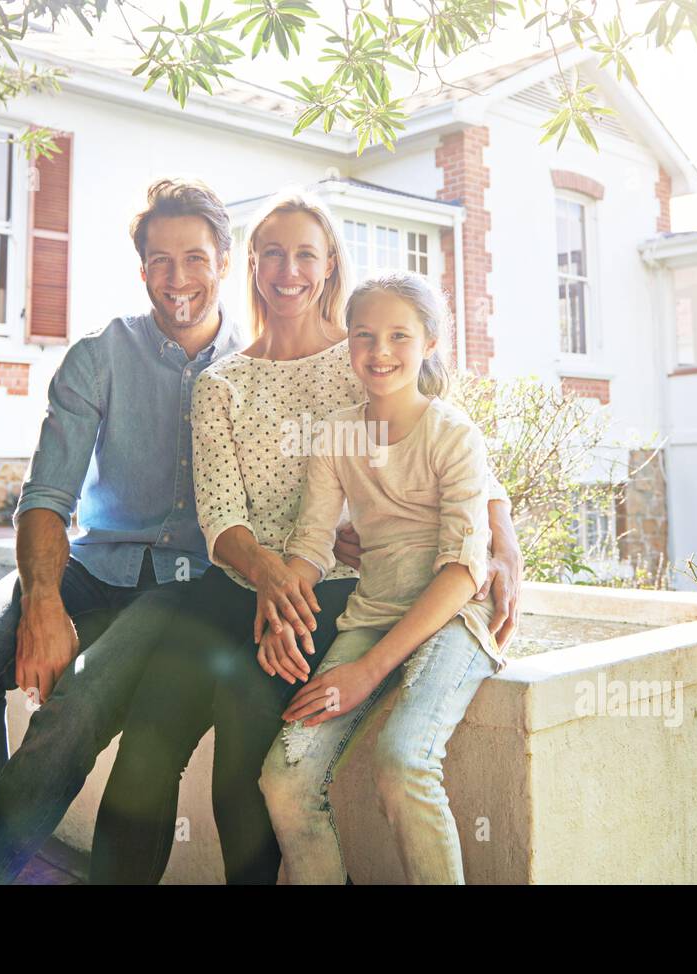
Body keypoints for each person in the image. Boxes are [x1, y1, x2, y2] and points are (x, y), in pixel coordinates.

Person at [87, 190, 523, 884]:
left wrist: (502, 538)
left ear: (327, 268)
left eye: (305, 256)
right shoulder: (227, 383)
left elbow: (446, 452)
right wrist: (275, 583)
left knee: (252, 749)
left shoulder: (362, 362)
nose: (289, 270)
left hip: (341, 592)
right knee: (151, 735)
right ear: (251, 265)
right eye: (273, 254)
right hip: (251, 581)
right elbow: (228, 517)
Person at [0, 178, 245, 883]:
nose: (178, 278)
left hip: (185, 592)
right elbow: (45, 496)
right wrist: (42, 603)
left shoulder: (258, 370)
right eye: (160, 260)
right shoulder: (98, 357)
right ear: (142, 271)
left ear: (224, 259)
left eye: (194, 257)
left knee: (72, 713)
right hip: (92, 568)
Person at [258, 271, 506, 884]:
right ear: (348, 343)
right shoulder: (337, 434)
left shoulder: (453, 435)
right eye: (364, 335)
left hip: (454, 619)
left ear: (429, 343)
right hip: (371, 614)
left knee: (403, 760)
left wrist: (367, 671)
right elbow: (311, 546)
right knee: (284, 780)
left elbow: (461, 571)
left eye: (399, 335)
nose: (380, 351)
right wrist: (280, 614)